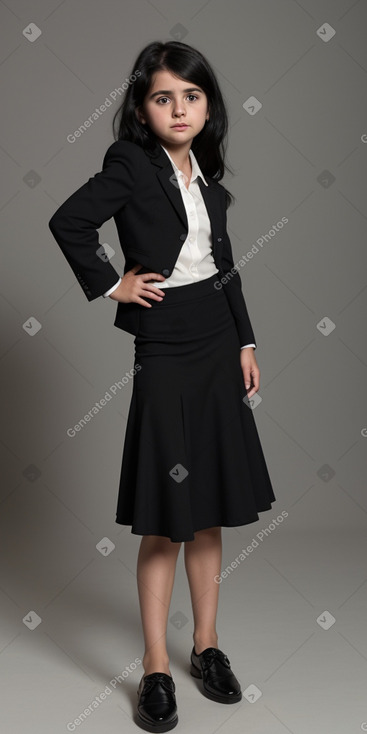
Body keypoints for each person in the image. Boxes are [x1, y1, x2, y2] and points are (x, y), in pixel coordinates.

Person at [49, 40, 276, 733]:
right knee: (165, 516)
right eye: (162, 97)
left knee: (207, 508)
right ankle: (154, 666)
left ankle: (205, 647)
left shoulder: (204, 169)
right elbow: (69, 222)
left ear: (207, 106)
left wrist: (244, 337)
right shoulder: (128, 164)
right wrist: (111, 282)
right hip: (166, 338)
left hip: (215, 333)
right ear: (142, 111)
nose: (179, 109)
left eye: (191, 96)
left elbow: (223, 260)